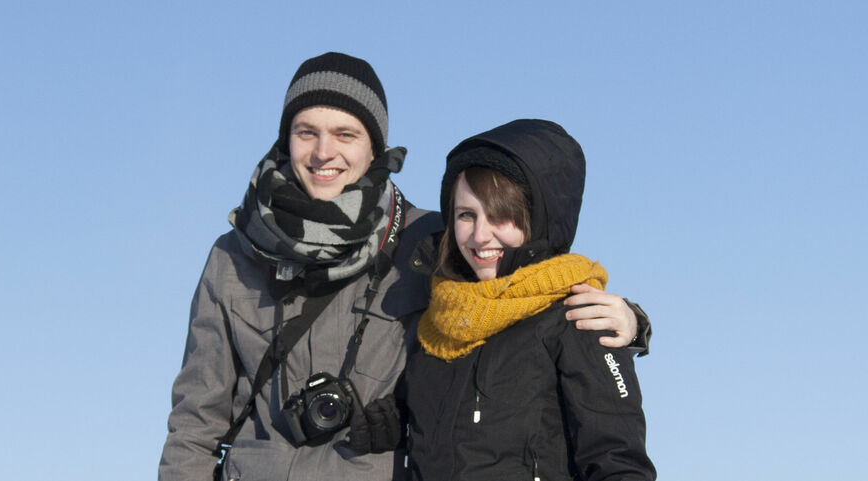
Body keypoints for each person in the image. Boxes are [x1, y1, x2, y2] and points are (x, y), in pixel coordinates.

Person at [159, 53, 649, 481]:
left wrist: (630, 322)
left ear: (375, 146)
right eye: (306, 132)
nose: (323, 152)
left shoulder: (429, 241)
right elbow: (194, 421)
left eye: (345, 134)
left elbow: (522, 290)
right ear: (285, 140)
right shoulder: (235, 255)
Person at [405, 119, 656, 480]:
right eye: (465, 215)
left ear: (538, 219)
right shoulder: (437, 328)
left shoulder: (578, 316)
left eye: (501, 215)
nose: (479, 235)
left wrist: (637, 325)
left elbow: (618, 462)